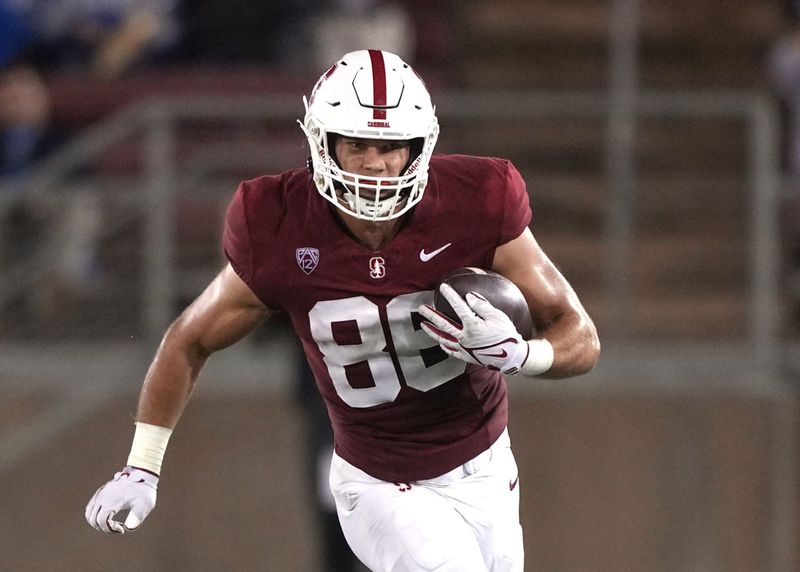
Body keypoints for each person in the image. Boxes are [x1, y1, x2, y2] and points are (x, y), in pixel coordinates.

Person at [84, 49, 601, 571]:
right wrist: (141, 467)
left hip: (488, 468)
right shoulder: (278, 221)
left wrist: (521, 354)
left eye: (391, 146)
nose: (375, 163)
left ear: (420, 148)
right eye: (357, 144)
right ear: (321, 143)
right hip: (378, 483)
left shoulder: (479, 201)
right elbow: (189, 338)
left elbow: (580, 335)